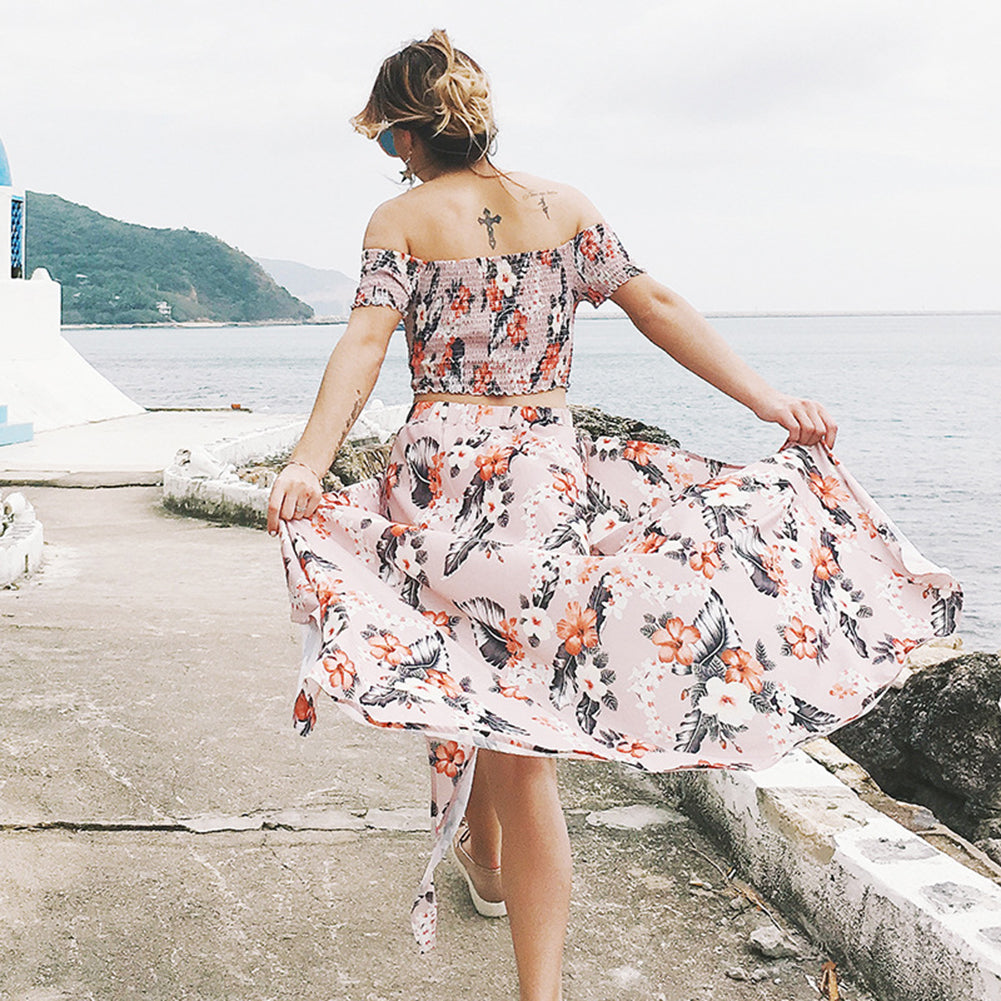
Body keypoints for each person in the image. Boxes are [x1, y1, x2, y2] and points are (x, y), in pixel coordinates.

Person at [267, 29, 961, 1001]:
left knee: (480, 691)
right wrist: (768, 402)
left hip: (442, 485)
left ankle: (514, 929)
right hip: (546, 479)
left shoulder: (401, 217)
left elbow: (363, 343)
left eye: (385, 138)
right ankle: (486, 862)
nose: (388, 155)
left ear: (403, 136)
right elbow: (657, 302)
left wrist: (309, 462)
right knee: (514, 710)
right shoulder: (565, 207)